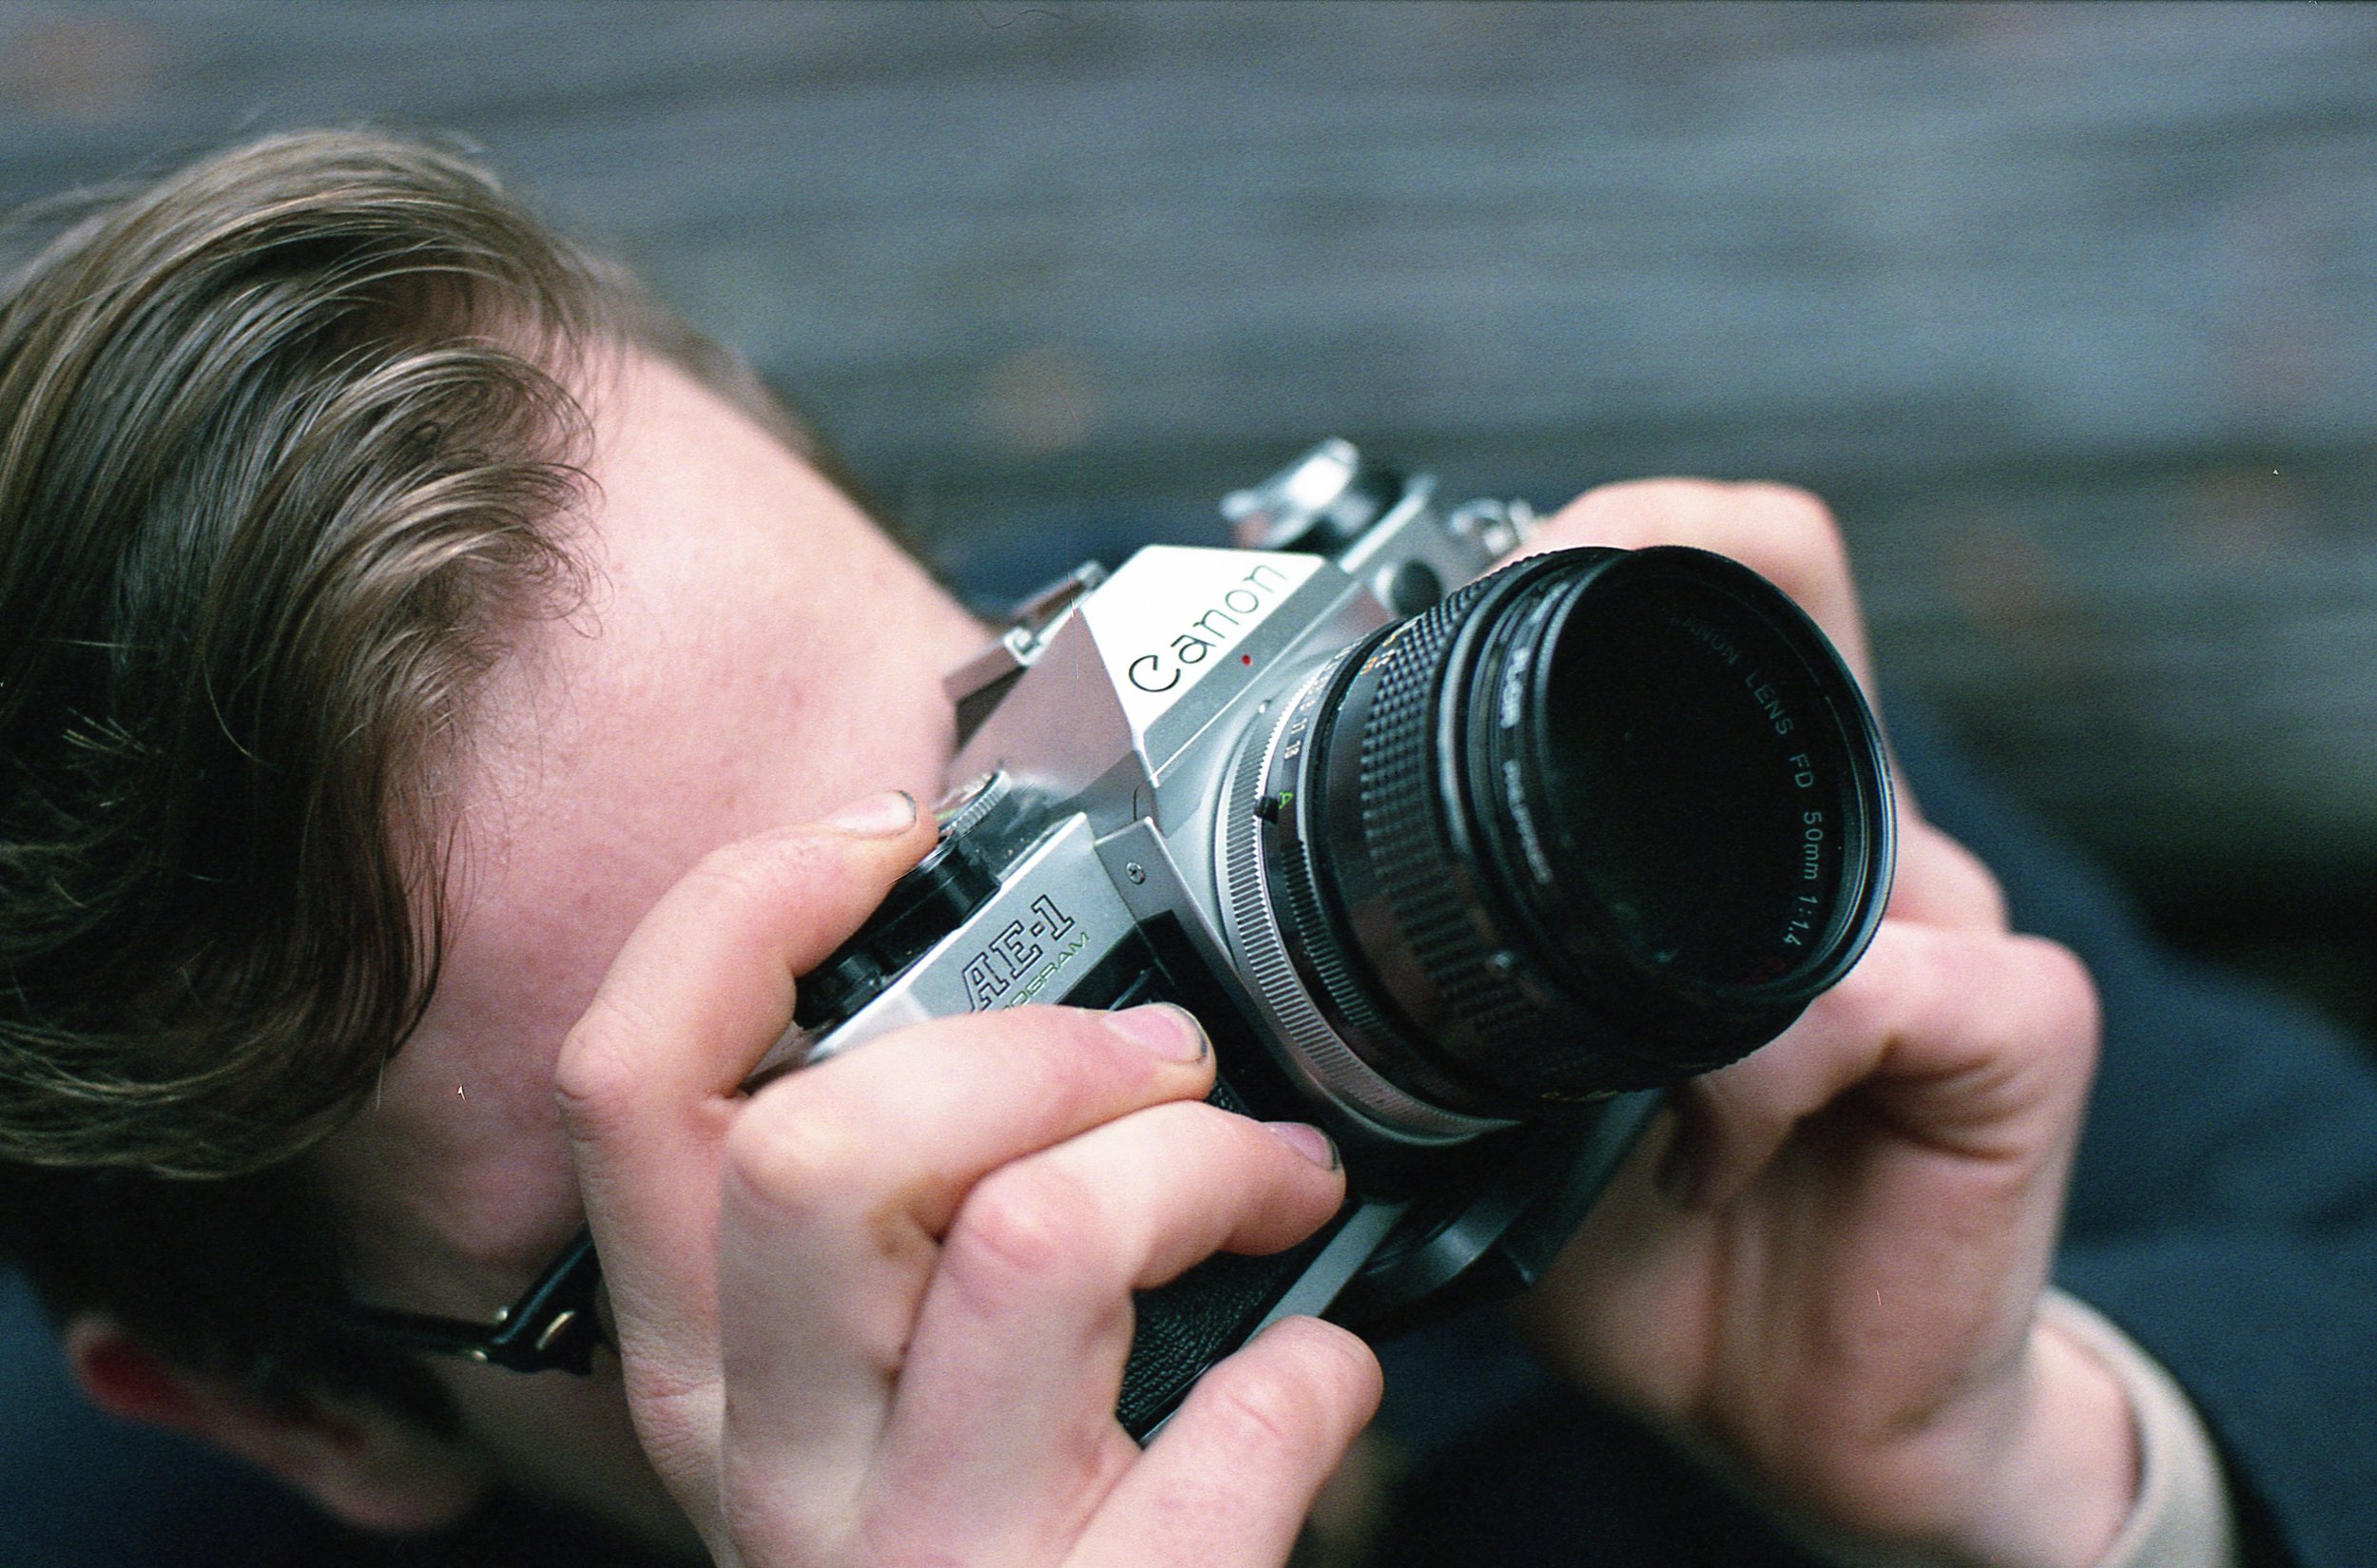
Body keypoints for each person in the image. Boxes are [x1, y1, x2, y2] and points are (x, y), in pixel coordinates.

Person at [0, 128, 2343, 1567]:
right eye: (813, 1088)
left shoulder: (1372, 711)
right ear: (302, 1414)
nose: (1116, 992)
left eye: (994, 746)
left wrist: (2040, 1475)